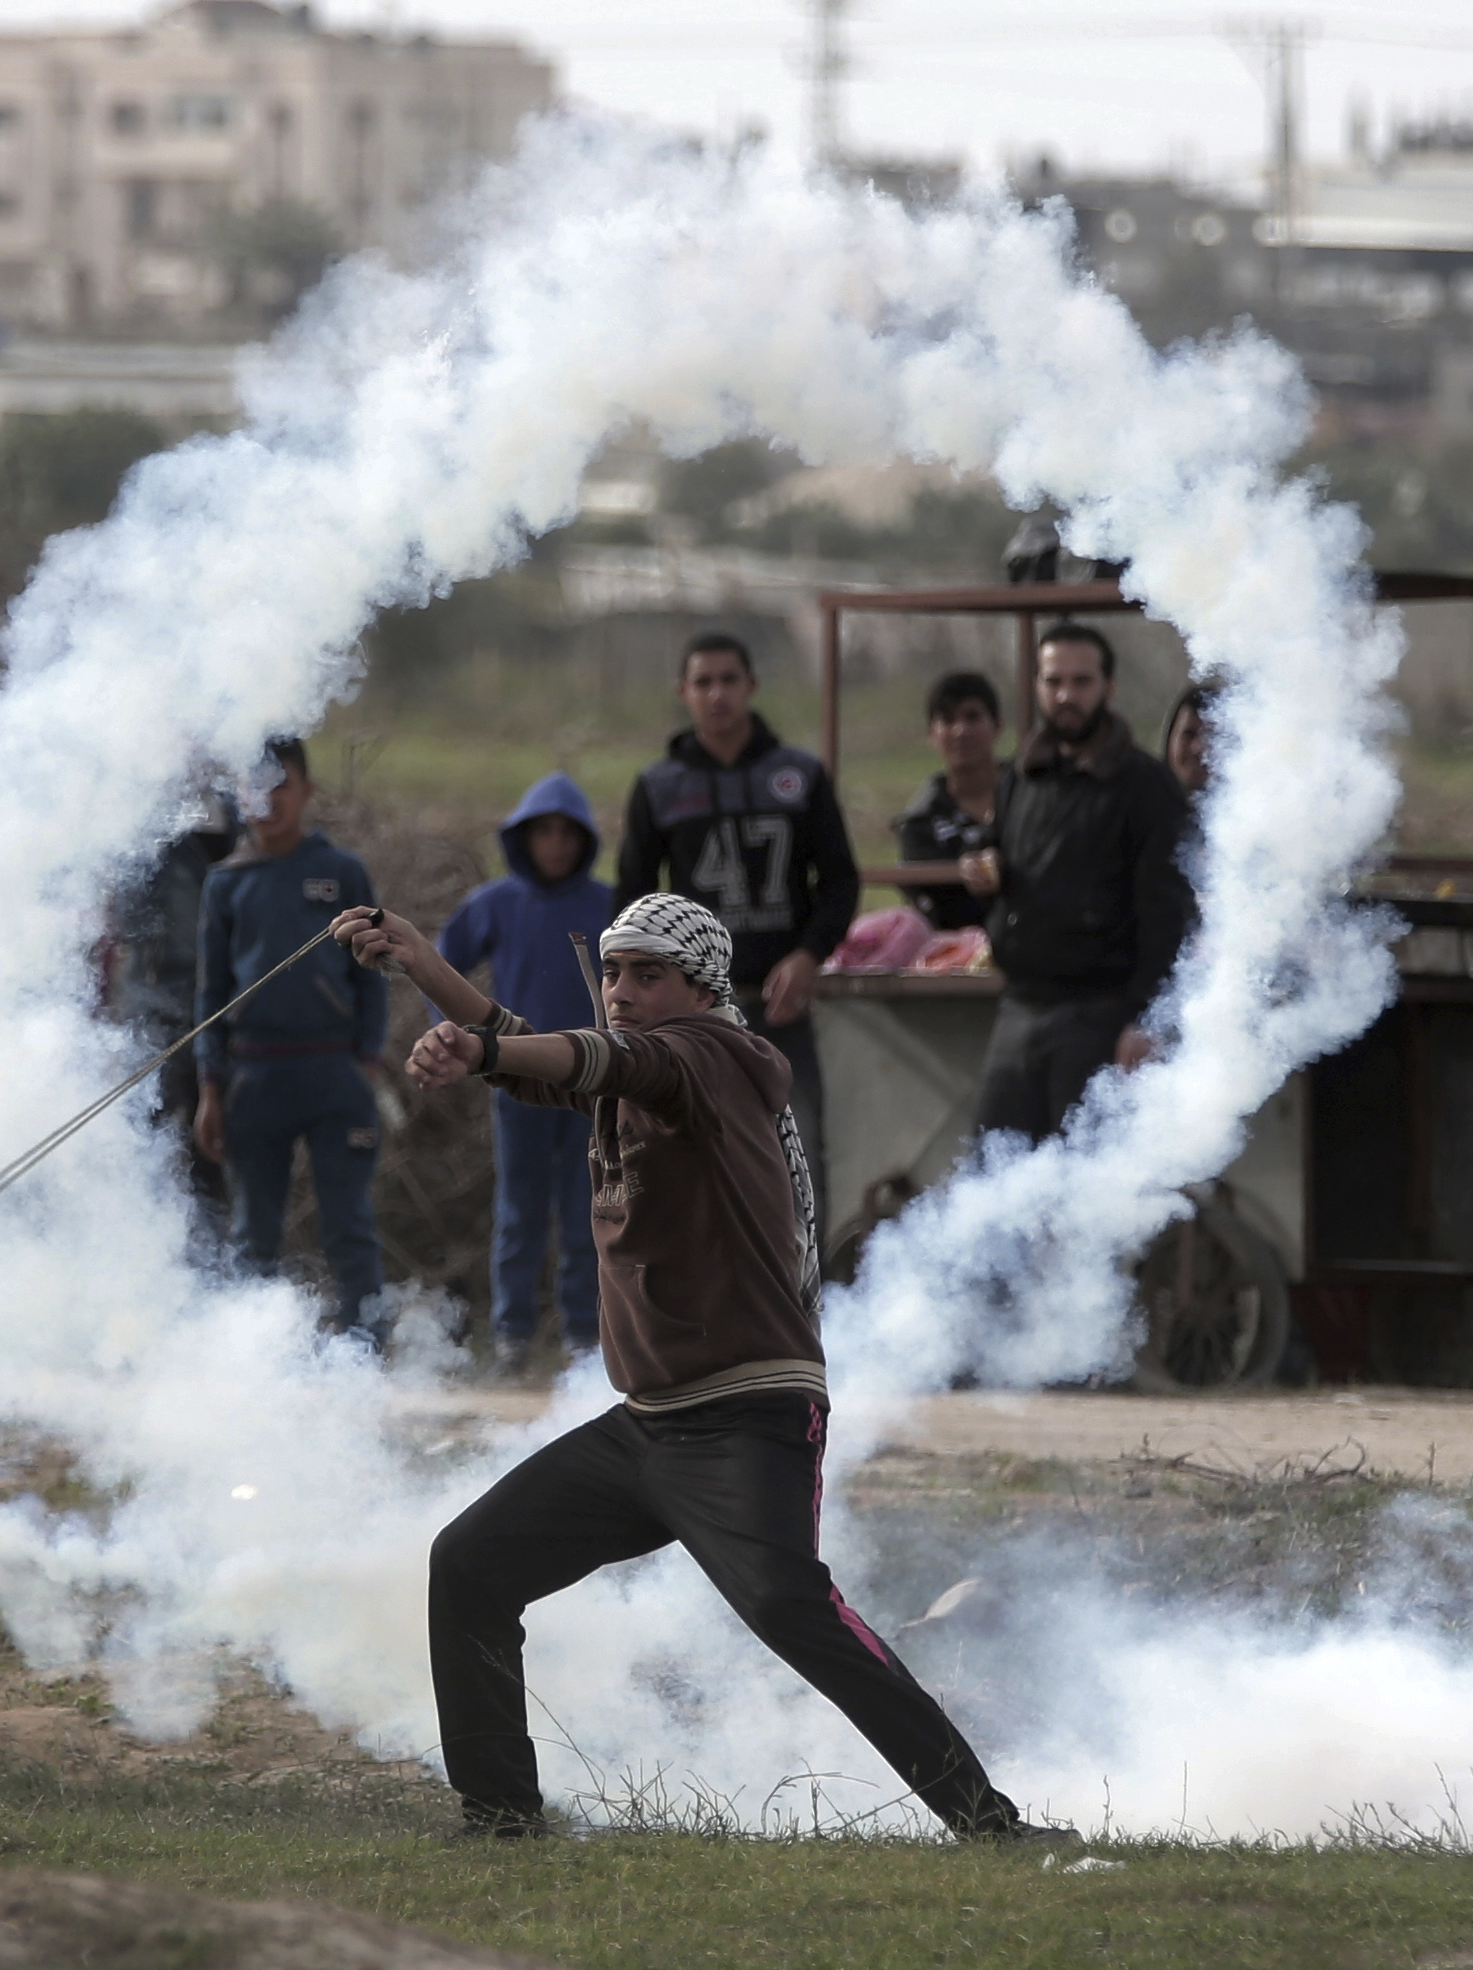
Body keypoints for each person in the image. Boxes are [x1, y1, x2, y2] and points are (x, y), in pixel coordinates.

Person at [331, 894, 1048, 1844]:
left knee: (798, 1617)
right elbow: (541, 1048)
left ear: (702, 991)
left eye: (646, 974)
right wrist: (421, 964)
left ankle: (987, 1822)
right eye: (614, 972)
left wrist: (488, 1053)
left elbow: (587, 1054)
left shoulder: (712, 1057)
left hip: (748, 1416)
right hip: (647, 1426)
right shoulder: (635, 1069)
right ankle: (501, 1817)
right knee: (468, 1566)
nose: (621, 991)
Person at [614, 632, 858, 1223]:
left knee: (797, 1166)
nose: (717, 694)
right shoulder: (659, 786)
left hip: (780, 1010)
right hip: (692, 1017)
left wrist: (808, 955)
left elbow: (841, 882)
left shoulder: (798, 775)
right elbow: (632, 904)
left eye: (729, 680)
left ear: (751, 686)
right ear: (684, 693)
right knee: (689, 1161)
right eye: (703, 682)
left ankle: (806, 1307)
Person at [960, 623, 1191, 1142]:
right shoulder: (1020, 776)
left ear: (1108, 688)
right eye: (1053, 681)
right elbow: (997, 851)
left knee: (1083, 1191)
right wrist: (980, 867)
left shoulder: (1144, 787)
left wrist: (1144, 1019)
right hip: (1020, 1005)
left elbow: (1165, 912)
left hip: (1100, 1013)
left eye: (1081, 682)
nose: (1066, 696)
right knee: (994, 1174)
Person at [193, 740, 387, 1334]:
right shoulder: (225, 883)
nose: (267, 798)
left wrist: (369, 1061)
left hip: (334, 1069)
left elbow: (372, 974)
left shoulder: (341, 872)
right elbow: (209, 994)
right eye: (255, 783)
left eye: (281, 783)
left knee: (347, 1223)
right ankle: (257, 1357)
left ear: (306, 792)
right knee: (254, 1230)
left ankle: (364, 1346)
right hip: (253, 1072)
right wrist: (210, 1085)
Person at [435, 772, 614, 1367]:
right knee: (519, 1209)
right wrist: (462, 1032)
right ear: (524, 837)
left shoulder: (609, 905)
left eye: (568, 833)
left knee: (588, 1206)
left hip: (592, 1082)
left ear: (584, 839)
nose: (557, 844)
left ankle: (584, 1335)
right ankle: (512, 1334)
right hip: (515, 1080)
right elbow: (442, 964)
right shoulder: (496, 904)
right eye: (544, 832)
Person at [118, 796, 240, 1237]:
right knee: (143, 1154)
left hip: (225, 1017)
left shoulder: (240, 817)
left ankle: (208, 1268)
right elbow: (129, 917)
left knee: (214, 1164)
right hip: (156, 1016)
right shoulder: (148, 815)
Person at [890, 670, 1004, 933]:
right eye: (948, 720)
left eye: (973, 717)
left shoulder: (1032, 798)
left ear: (997, 727)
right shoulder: (918, 823)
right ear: (932, 734)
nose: (961, 731)